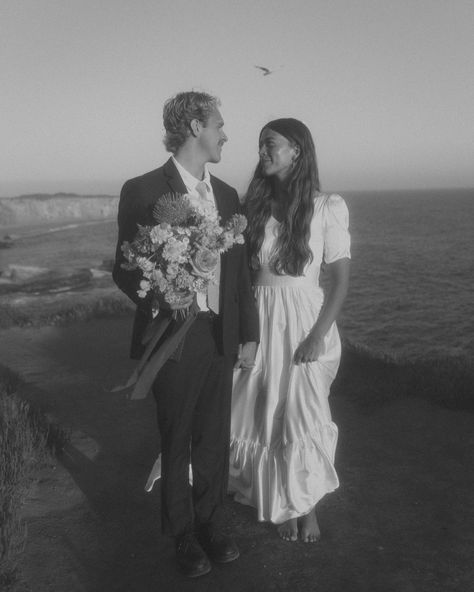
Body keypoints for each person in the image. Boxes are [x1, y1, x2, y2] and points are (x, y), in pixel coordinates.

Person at [113, 91, 259, 578]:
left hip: (223, 334)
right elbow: (124, 267)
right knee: (176, 441)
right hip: (175, 337)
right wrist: (159, 295)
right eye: (219, 123)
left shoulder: (230, 197)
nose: (225, 134)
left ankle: (213, 524)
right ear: (195, 126)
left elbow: (241, 277)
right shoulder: (143, 189)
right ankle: (183, 537)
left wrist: (249, 334)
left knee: (215, 437)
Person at [228, 118, 350, 543]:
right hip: (260, 318)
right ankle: (278, 501)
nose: (262, 152)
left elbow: (339, 281)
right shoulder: (251, 208)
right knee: (263, 414)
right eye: (261, 145)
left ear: (297, 150)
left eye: (271, 145)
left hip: (304, 321)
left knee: (302, 412)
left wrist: (318, 334)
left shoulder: (327, 206)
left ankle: (307, 506)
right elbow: (241, 276)